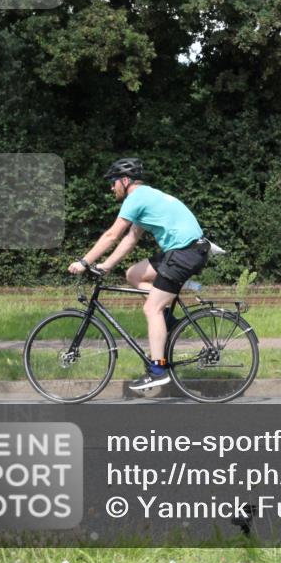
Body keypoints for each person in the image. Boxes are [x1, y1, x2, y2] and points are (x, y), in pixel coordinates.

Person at [67, 158, 210, 390]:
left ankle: (158, 370)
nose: (111, 187)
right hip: (185, 251)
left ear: (125, 181)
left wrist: (85, 261)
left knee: (150, 308)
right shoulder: (147, 197)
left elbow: (112, 235)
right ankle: (168, 322)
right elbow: (130, 239)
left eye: (113, 182)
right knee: (134, 274)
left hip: (184, 253)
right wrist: (106, 265)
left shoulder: (136, 199)